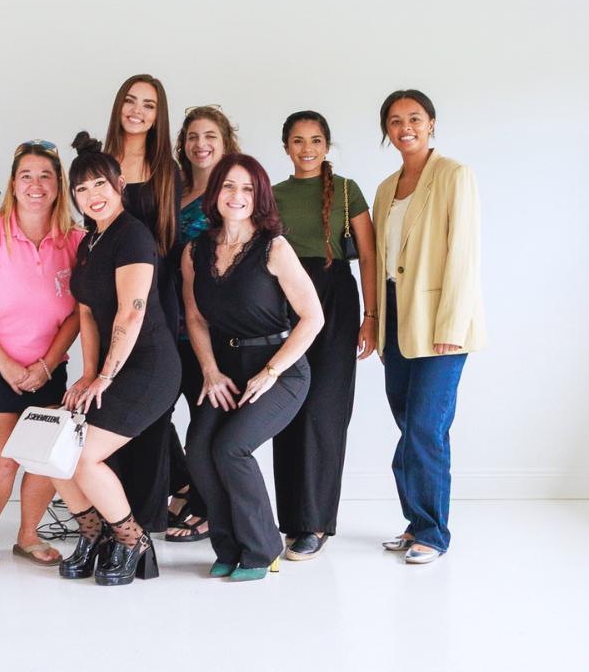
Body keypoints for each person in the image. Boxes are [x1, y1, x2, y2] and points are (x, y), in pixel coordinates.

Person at [183, 154, 324, 580]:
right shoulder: (195, 250)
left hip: (280, 370)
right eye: (228, 185)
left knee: (231, 448)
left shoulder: (274, 248)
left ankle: (263, 548)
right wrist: (210, 371)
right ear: (215, 192)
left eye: (247, 188)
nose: (237, 195)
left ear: (259, 196)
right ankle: (229, 548)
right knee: (199, 451)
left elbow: (313, 318)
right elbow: (195, 318)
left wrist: (272, 371)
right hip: (225, 370)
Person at [52, 136, 181, 587]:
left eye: (100, 184)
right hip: (111, 368)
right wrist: (88, 373)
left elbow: (131, 312)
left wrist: (105, 376)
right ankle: (95, 536)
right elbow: (87, 312)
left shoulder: (132, 236)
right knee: (55, 452)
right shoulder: (90, 242)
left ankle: (132, 542)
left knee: (83, 457)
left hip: (149, 367)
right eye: (82, 189)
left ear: (119, 184)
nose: (92, 195)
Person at [0, 141, 83, 568]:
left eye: (46, 176)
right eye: (26, 175)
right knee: (4, 458)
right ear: (12, 184)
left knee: (42, 458)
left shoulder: (76, 239)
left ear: (59, 185)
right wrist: (7, 366)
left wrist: (47, 365)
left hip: (48, 369)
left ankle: (28, 536)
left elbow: (79, 314)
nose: (35, 184)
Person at [373, 89, 485, 564]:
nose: (406, 128)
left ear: (431, 123)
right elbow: (382, 262)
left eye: (415, 118)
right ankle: (417, 521)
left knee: (426, 428)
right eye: (395, 121)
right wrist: (377, 322)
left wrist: (451, 325)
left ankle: (434, 534)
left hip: (441, 320)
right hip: (397, 316)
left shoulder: (454, 175)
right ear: (387, 130)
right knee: (407, 424)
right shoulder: (385, 188)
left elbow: (464, 253)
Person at [271, 111, 378, 560]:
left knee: (324, 410)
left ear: (327, 146)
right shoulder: (272, 195)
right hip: (285, 301)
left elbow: (368, 257)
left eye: (315, 140)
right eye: (298, 140)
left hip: (336, 299)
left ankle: (315, 523)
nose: (307, 148)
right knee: (287, 408)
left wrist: (371, 316)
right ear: (286, 147)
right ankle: (292, 521)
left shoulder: (348, 191)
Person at [102, 75, 182, 533]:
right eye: (130, 101)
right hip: (106, 294)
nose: (137, 110)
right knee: (110, 396)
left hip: (156, 295)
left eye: (149, 105)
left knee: (152, 406)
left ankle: (145, 517)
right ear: (119, 106)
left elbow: (169, 241)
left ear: (158, 115)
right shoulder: (100, 162)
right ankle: (110, 507)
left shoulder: (167, 169)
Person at [165, 105, 241, 543]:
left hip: (212, 328)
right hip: (167, 320)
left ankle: (209, 509)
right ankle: (183, 488)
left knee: (204, 421)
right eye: (193, 136)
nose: (201, 144)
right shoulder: (172, 190)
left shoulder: (232, 192)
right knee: (154, 417)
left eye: (210, 135)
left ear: (225, 142)